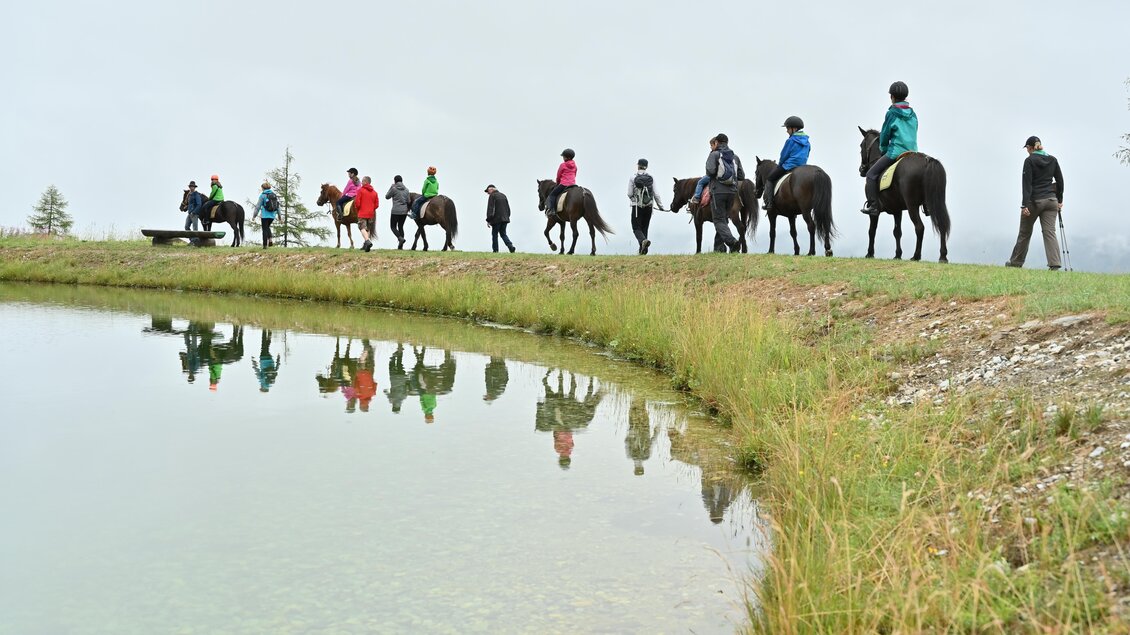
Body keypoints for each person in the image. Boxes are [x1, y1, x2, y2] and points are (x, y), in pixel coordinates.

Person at [1006, 136, 1065, 270]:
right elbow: (1060, 181)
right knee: (1049, 232)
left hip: (1034, 201)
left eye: (1027, 148)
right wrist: (1060, 200)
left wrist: (1024, 205)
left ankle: (1016, 263)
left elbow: (1026, 184)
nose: (1027, 151)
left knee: (1025, 233)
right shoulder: (1053, 160)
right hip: (1051, 201)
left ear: (1030, 148)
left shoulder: (1029, 161)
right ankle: (1054, 264)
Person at [862, 81, 918, 215]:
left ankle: (874, 206)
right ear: (905, 97)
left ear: (892, 96)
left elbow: (885, 135)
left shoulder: (892, 113)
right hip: (913, 152)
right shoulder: (913, 113)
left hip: (895, 152)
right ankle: (926, 205)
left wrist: (883, 149)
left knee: (870, 175)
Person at [704, 133, 745, 253]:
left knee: (718, 220)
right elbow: (741, 176)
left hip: (718, 191)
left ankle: (732, 242)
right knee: (724, 219)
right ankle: (718, 248)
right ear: (727, 143)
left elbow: (710, 171)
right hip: (732, 192)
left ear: (716, 142)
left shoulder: (714, 154)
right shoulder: (735, 157)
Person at [763, 116, 811, 212]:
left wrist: (780, 165)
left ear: (794, 129)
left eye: (788, 128)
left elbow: (784, 155)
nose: (787, 131)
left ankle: (769, 203)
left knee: (770, 179)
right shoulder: (807, 142)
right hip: (802, 166)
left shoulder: (790, 140)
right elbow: (806, 155)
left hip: (789, 166)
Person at [628, 158, 667, 255]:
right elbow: (656, 193)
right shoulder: (651, 177)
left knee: (636, 227)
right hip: (649, 206)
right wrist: (661, 206)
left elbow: (629, 193)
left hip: (637, 207)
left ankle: (643, 242)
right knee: (645, 228)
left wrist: (635, 200)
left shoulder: (633, 177)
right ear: (646, 167)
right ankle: (643, 251)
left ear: (638, 165)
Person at [545, 148, 577, 218]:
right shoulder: (575, 165)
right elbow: (575, 174)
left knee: (552, 195)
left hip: (564, 184)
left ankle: (552, 210)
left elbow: (558, 176)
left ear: (567, 157)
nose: (563, 158)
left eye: (563, 156)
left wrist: (557, 183)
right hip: (573, 184)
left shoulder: (563, 165)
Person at [484, 184, 516, 253]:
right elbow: (508, 209)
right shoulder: (503, 195)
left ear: (491, 189)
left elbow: (490, 209)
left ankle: (495, 250)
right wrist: (507, 217)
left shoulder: (492, 196)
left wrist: (488, 220)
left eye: (488, 191)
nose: (488, 193)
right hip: (505, 219)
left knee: (494, 235)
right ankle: (511, 247)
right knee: (503, 234)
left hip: (496, 219)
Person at [689, 137, 719, 206]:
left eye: (711, 145)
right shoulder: (724, 153)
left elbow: (711, 168)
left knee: (700, 182)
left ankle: (697, 197)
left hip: (712, 176)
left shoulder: (713, 154)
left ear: (715, 144)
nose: (711, 147)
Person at [354, 176, 380, 252]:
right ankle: (366, 246)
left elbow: (357, 202)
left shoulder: (360, 190)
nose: (361, 182)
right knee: (368, 229)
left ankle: (367, 241)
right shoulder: (375, 193)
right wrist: (371, 208)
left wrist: (358, 208)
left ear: (365, 182)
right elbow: (377, 205)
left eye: (362, 181)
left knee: (361, 227)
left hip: (362, 212)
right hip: (371, 214)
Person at [385, 175, 411, 249]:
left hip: (396, 211)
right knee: (401, 227)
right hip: (404, 211)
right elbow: (409, 201)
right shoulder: (407, 190)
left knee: (393, 227)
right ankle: (400, 246)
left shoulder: (394, 188)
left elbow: (387, 196)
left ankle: (400, 238)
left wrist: (391, 187)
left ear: (395, 181)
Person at [251, 182, 277, 249]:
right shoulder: (274, 195)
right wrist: (279, 217)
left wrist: (254, 216)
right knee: (267, 227)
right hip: (272, 216)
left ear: (263, 188)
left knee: (264, 229)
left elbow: (258, 207)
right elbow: (277, 206)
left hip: (265, 215)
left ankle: (265, 245)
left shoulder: (262, 195)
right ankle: (270, 240)